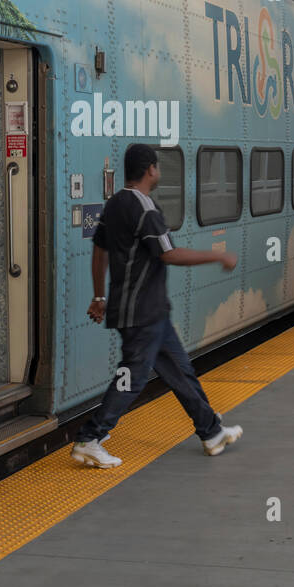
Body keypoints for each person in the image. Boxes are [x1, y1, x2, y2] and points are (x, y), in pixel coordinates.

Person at [71, 143, 244, 469]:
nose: (159, 172)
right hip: (143, 313)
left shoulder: (115, 204)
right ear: (150, 169)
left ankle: (211, 432)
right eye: (158, 167)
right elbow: (169, 254)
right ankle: (90, 438)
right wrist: (217, 255)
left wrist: (98, 297)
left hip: (144, 312)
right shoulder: (146, 209)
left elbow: (99, 253)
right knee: (132, 377)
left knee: (181, 372)